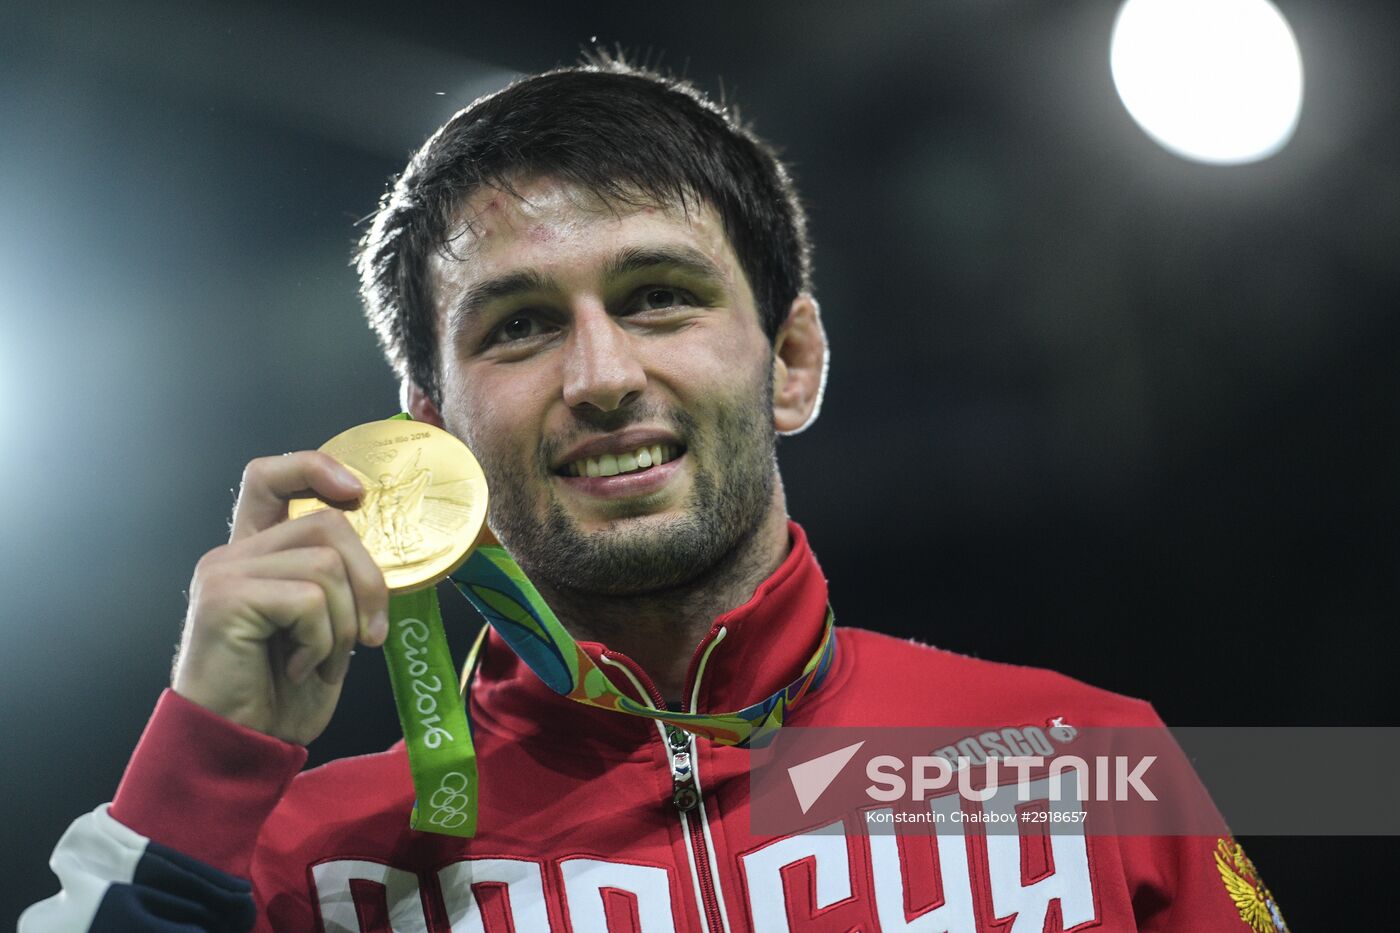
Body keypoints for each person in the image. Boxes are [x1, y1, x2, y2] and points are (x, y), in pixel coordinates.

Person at [23, 60, 1286, 932]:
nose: (599, 375)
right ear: (433, 442)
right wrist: (201, 762)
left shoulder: (1082, 767)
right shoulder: (309, 865)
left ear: (790, 362)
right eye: (516, 327)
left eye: (657, 297)